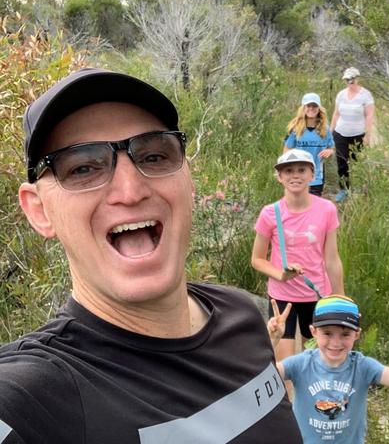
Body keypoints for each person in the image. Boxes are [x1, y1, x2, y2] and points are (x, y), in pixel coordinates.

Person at [0, 68, 302, 444]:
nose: (130, 190)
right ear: (39, 210)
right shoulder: (37, 396)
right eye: (82, 167)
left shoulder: (242, 315)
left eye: (155, 155)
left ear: (188, 179)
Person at [267, 295, 389, 443]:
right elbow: (263, 374)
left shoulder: (363, 367)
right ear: (313, 332)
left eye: (345, 334)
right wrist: (271, 341)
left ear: (357, 334)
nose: (336, 343)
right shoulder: (301, 364)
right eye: (327, 333)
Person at [251, 149, 344, 364]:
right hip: (282, 299)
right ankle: (288, 399)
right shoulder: (270, 213)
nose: (295, 176)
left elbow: (332, 259)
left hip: (317, 296)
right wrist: (280, 275)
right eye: (288, 171)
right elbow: (257, 259)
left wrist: (339, 298)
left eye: (302, 170)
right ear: (280, 177)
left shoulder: (327, 209)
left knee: (319, 363)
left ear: (313, 174)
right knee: (285, 366)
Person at [330, 67, 375, 203]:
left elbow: (369, 116)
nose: (350, 81)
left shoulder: (365, 95)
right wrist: (330, 132)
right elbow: (336, 114)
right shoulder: (341, 94)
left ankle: (360, 189)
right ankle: (344, 189)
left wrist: (367, 135)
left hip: (358, 134)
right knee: (342, 162)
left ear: (357, 78)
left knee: (357, 162)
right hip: (341, 133)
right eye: (347, 79)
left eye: (352, 78)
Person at [284, 92, 335, 197]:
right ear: (303, 108)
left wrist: (329, 151)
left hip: (316, 176)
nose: (311, 108)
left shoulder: (325, 130)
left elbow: (331, 148)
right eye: (308, 105)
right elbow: (286, 151)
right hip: (297, 175)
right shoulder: (295, 129)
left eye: (315, 106)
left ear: (319, 108)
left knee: (313, 206)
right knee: (298, 205)